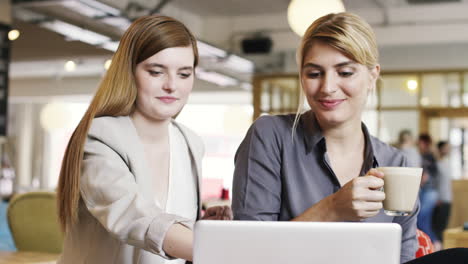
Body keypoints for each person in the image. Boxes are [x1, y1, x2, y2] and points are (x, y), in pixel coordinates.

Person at [232, 12, 419, 263]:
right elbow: (246, 254)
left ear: (372, 76)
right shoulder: (270, 137)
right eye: (314, 73)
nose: (328, 87)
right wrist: (331, 209)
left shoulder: (396, 163)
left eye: (345, 72)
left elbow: (403, 257)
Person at [56, 15, 231, 264]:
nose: (172, 85)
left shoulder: (190, 142)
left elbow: (167, 224)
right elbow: (133, 217)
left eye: (184, 74)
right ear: (129, 72)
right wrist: (220, 251)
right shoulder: (100, 136)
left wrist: (200, 227)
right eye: (156, 72)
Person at [417, 133, 439, 244]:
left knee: (421, 220)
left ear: (424, 143)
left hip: (429, 192)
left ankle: (434, 243)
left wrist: (417, 184)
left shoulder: (427, 156)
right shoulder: (432, 155)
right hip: (431, 192)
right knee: (425, 220)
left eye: (419, 142)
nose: (418, 144)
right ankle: (433, 243)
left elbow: (425, 176)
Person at [432, 141, 452, 249]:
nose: (448, 150)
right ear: (440, 149)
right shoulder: (436, 164)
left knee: (443, 226)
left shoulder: (446, 163)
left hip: (448, 199)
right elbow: (435, 183)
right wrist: (437, 198)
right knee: (438, 227)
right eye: (446, 148)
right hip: (439, 200)